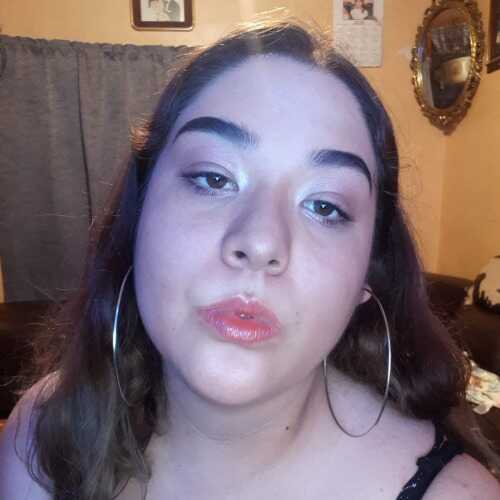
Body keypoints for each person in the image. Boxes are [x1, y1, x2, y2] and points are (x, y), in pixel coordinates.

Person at [1, 18, 499, 500]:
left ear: (369, 272)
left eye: (325, 206)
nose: (261, 242)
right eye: (214, 178)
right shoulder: (38, 438)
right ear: (141, 207)